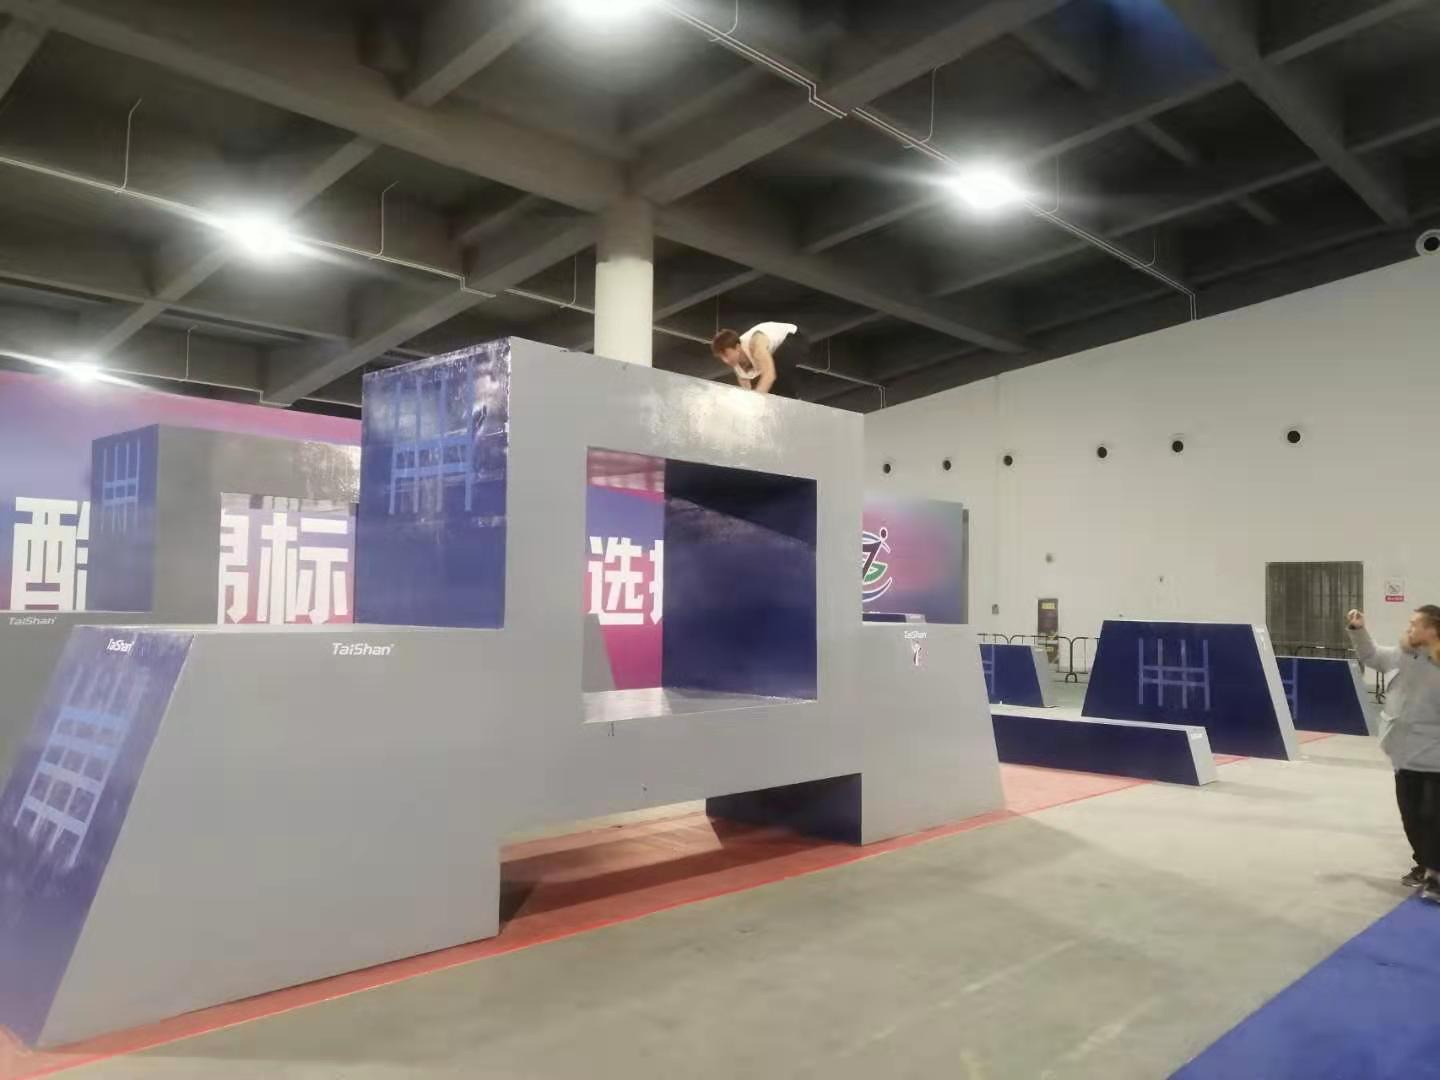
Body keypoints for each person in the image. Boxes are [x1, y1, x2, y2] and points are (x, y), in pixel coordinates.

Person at [1348, 606, 1440, 902]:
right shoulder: (1403, 655)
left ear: (1432, 630)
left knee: (1433, 818)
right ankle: (1424, 864)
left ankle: (1436, 874)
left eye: (1415, 624)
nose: (1409, 628)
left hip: (1435, 757)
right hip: (1405, 755)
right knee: (1411, 817)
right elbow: (1371, 656)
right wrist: (1359, 630)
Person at [711, 322, 808, 400]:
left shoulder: (756, 347)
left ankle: (793, 401)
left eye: (726, 355)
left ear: (737, 347)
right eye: (721, 357)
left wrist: (755, 403)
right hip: (773, 351)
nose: (725, 360)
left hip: (795, 337)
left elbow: (769, 376)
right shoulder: (738, 369)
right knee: (763, 388)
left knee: (775, 371)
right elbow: (748, 392)